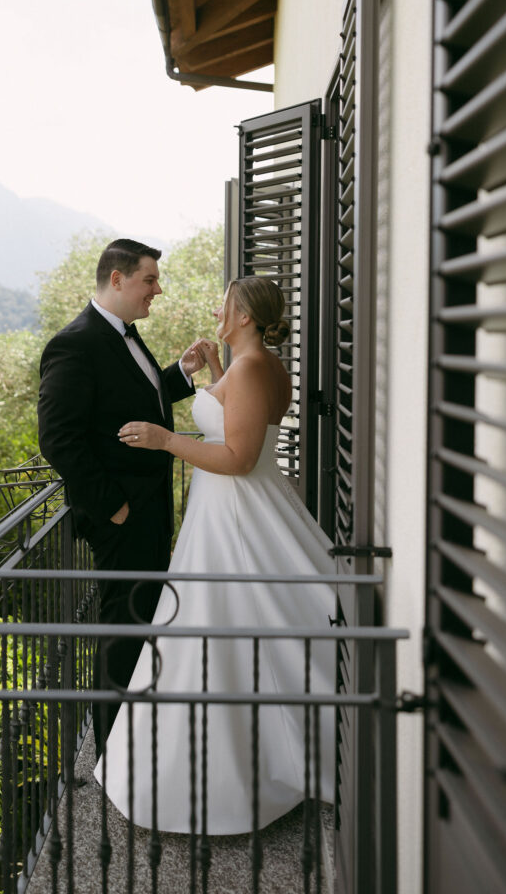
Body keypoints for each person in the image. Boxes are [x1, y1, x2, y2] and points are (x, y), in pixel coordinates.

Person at [95, 276, 336, 834]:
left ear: (245, 316)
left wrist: (165, 440)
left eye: (225, 304)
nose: (218, 311)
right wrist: (212, 375)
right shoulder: (257, 367)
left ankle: (226, 782)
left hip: (235, 516)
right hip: (231, 511)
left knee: (219, 634)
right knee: (235, 631)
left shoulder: (254, 369)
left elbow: (238, 457)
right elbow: (237, 418)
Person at [37, 238, 207, 753]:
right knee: (121, 630)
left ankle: (137, 740)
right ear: (117, 279)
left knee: (142, 620)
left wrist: (180, 375)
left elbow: (140, 396)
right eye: (149, 280)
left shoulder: (124, 336)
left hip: (148, 509)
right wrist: (113, 506)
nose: (157, 289)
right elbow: (58, 437)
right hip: (121, 515)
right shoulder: (75, 343)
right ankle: (114, 754)